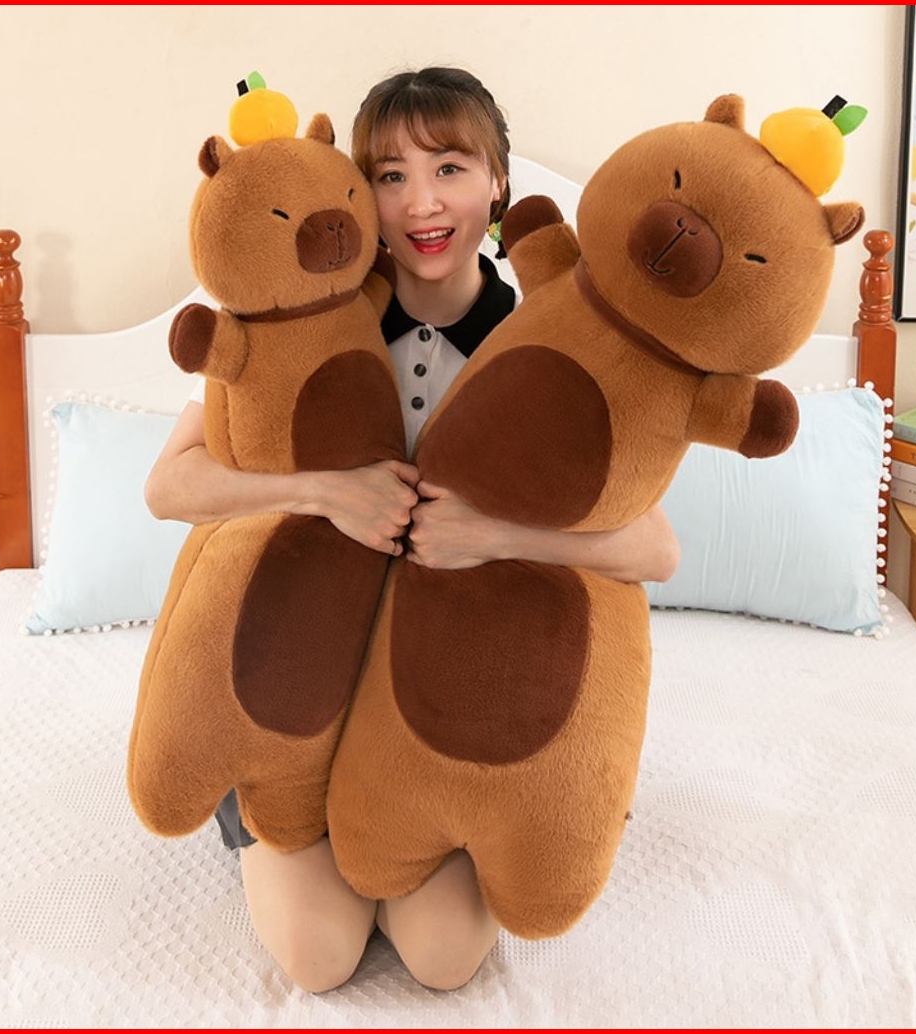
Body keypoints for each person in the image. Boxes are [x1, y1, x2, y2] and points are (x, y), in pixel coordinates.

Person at [144, 66, 680, 994]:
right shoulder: (307, 310)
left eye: (450, 168)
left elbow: (654, 548)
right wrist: (325, 491)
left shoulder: (545, 339)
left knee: (443, 956)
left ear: (498, 184)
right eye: (390, 176)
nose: (422, 203)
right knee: (319, 958)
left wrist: (493, 536)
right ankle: (269, 804)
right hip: (297, 680)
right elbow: (169, 485)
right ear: (362, 195)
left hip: (436, 703)